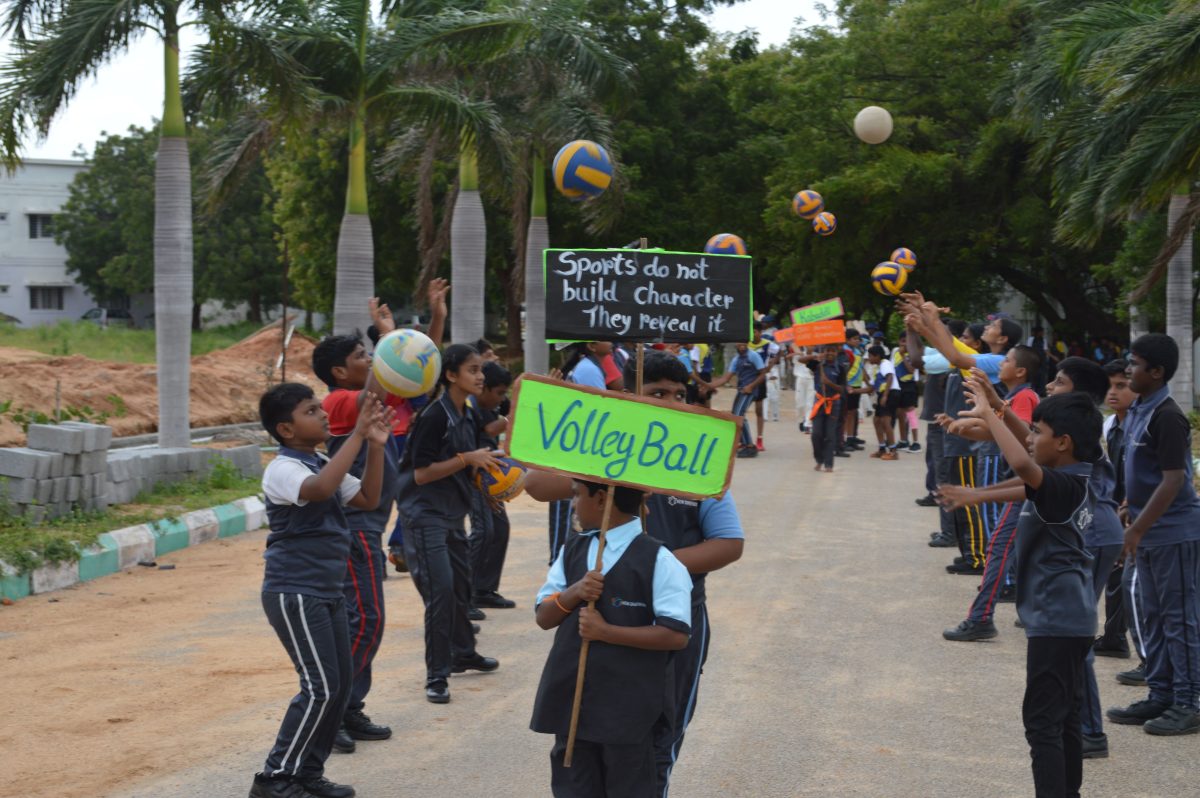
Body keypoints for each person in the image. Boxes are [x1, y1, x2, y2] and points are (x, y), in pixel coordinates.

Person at [960, 382, 1102, 798]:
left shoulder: (1061, 486)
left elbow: (1022, 463)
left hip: (1056, 620)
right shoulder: (1073, 476)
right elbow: (1030, 452)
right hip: (1071, 618)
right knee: (1064, 717)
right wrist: (1002, 408)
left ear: (1063, 442)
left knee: (1042, 723)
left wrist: (990, 414)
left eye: (1038, 431)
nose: (1031, 437)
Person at [251, 383, 391, 798]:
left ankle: (307, 773)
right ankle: (274, 778)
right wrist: (357, 435)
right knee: (320, 687)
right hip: (295, 590)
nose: (324, 414)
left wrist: (376, 446)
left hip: (326, 590)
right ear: (286, 429)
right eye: (311, 411)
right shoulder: (284, 468)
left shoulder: (319, 461)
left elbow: (367, 498)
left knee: (339, 686)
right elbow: (319, 490)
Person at [530, 480, 692, 798]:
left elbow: (676, 634)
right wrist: (575, 591)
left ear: (602, 499)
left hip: (629, 714)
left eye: (577, 495)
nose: (573, 504)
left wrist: (606, 632)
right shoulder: (572, 549)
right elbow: (544, 617)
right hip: (575, 708)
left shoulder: (661, 560)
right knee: (573, 788)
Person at [310, 298, 419, 754]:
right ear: (339, 372)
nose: (371, 360)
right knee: (366, 620)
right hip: (354, 528)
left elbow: (417, 373)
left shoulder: (365, 395)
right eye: (362, 356)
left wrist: (405, 335)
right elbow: (378, 391)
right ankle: (332, 711)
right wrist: (388, 337)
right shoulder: (339, 402)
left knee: (362, 621)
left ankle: (350, 706)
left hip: (367, 528)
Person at [395, 344, 504, 704]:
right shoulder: (433, 416)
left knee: (460, 587)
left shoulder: (466, 412)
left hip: (453, 513)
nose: (481, 376)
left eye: (481, 370)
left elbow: (469, 465)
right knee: (440, 592)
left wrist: (488, 485)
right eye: (473, 370)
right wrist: (466, 458)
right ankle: (437, 675)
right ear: (451, 375)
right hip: (425, 514)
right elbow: (422, 474)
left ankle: (463, 653)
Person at [1106, 334, 1200, 736]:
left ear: (1157, 372)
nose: (1129, 369)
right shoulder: (1140, 408)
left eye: (1135, 363)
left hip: (1172, 533)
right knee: (1153, 615)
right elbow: (1144, 470)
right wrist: (1130, 505)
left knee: (1179, 619)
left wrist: (1137, 529)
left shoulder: (1168, 415)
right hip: (1146, 529)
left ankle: (1189, 702)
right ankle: (1161, 694)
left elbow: (1175, 478)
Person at [939, 345, 1042, 641]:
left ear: (1020, 371)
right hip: (1023, 479)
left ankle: (981, 617)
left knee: (999, 544)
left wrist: (983, 415)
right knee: (1020, 547)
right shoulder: (1013, 398)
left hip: (1024, 480)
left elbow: (1020, 434)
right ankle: (1030, 611)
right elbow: (996, 430)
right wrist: (963, 427)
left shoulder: (1024, 397)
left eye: (1006, 360)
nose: (1001, 364)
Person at [383, 280, 450, 574]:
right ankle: (392, 548)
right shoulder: (386, 371)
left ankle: (398, 547)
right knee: (401, 495)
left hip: (404, 437)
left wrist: (439, 316)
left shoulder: (414, 372)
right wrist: (387, 332)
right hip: (392, 439)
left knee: (410, 494)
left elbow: (428, 352)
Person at [1094, 359, 1137, 660]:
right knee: (1115, 576)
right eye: (1109, 386)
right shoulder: (1111, 424)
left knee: (1132, 582)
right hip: (1117, 506)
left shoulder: (1142, 425)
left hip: (1138, 510)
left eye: (1121, 386)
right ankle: (1114, 637)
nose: (1112, 392)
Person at [469, 361, 517, 610]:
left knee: (500, 528)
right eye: (498, 393)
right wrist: (512, 418)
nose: (501, 399)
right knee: (483, 531)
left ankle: (484, 589)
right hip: (473, 477)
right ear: (484, 388)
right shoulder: (471, 406)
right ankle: (465, 593)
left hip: (490, 474)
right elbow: (489, 429)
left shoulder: (491, 403)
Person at [711, 341, 766, 458]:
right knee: (735, 415)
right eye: (739, 343)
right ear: (735, 345)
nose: (742, 345)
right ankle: (743, 442)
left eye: (744, 343)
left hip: (750, 391)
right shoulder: (736, 359)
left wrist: (751, 386)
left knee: (739, 415)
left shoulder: (753, 355)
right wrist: (708, 385)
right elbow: (726, 378)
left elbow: (763, 374)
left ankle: (750, 446)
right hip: (741, 390)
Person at [807, 344, 844, 472]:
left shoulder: (840, 368)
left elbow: (842, 389)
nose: (830, 353)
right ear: (823, 351)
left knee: (830, 435)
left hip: (833, 404)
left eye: (833, 351)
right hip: (819, 402)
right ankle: (819, 459)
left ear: (837, 353)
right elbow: (801, 360)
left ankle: (829, 464)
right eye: (827, 350)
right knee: (816, 434)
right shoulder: (818, 365)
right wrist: (815, 356)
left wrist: (829, 383)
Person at [747, 322, 781, 451]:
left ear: (760, 333)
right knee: (742, 410)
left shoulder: (767, 344)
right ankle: (743, 439)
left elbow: (779, 351)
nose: (753, 334)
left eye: (755, 332)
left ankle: (759, 438)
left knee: (759, 410)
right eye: (751, 332)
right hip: (747, 379)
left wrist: (771, 365)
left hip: (760, 378)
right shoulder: (746, 344)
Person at [865, 344, 900, 460]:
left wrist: (885, 395)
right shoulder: (878, 368)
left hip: (891, 393)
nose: (869, 358)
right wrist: (853, 391)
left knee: (886, 421)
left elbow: (890, 377)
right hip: (885, 393)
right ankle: (882, 448)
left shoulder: (885, 363)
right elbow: (871, 388)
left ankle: (893, 451)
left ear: (878, 356)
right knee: (876, 420)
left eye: (870, 356)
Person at [892, 337, 921, 452]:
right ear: (899, 341)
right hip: (898, 385)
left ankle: (916, 442)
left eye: (907, 341)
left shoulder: (913, 354)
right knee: (900, 413)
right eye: (903, 341)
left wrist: (903, 356)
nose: (905, 344)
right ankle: (903, 440)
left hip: (909, 385)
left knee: (910, 413)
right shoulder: (895, 351)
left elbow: (911, 370)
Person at [792, 345, 815, 432]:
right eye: (809, 345)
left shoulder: (816, 355)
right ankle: (802, 419)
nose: (811, 347)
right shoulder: (798, 355)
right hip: (800, 379)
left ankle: (808, 424)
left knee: (810, 403)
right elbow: (794, 359)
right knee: (800, 403)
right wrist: (799, 354)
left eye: (813, 345)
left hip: (811, 380)